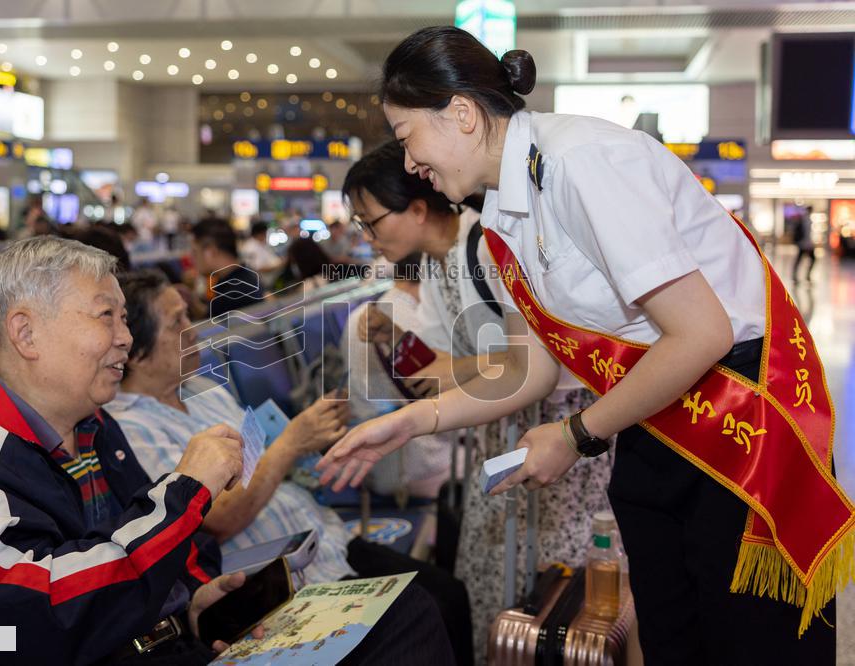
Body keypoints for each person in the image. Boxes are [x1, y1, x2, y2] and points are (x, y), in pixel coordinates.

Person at [319, 26, 844, 665]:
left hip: (737, 428)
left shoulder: (584, 161)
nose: (409, 165)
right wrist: (411, 421)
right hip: (652, 420)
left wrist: (575, 437)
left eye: (407, 139)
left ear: (460, 113)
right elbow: (526, 373)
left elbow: (701, 333)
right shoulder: (499, 231)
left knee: (751, 642)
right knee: (673, 635)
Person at [0, 236, 254, 665]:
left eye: (124, 317)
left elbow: (127, 566)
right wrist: (182, 492)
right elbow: (29, 622)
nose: (126, 338)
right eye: (106, 315)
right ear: (26, 333)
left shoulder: (94, 425)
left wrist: (189, 605)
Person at [110, 270, 473, 665]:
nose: (193, 330)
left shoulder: (201, 390)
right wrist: (292, 443)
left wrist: (312, 441)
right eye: (176, 322)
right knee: (421, 613)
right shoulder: (131, 429)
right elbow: (220, 517)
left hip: (323, 538)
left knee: (449, 595)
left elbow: (259, 457)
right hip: (274, 576)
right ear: (136, 350)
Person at [343, 140, 612, 660]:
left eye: (371, 222)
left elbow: (540, 358)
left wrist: (447, 372)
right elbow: (451, 364)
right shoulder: (438, 265)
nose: (368, 237)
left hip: (553, 433)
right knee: (501, 590)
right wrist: (400, 345)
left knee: (558, 593)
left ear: (417, 209)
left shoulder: (488, 245)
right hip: (502, 432)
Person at [341, 252, 456, 501]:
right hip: (422, 466)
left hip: (374, 464)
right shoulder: (422, 324)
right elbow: (453, 403)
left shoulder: (359, 315)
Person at [189, 218, 263, 319]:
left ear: (210, 252)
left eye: (195, 252)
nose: (192, 259)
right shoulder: (248, 278)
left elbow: (208, 327)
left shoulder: (228, 296)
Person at [792, 205, 816, 282]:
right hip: (804, 244)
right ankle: (797, 275)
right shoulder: (805, 220)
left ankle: (804, 275)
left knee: (802, 259)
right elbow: (806, 234)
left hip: (806, 244)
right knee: (801, 259)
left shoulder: (806, 219)